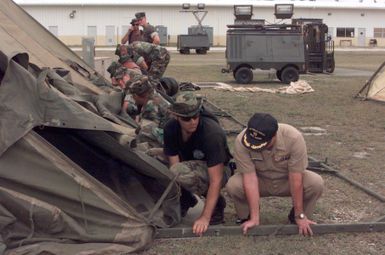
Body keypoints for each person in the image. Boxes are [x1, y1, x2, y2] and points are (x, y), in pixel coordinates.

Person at [225, 113, 324, 236]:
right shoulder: (241, 141)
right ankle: (248, 216)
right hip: (260, 180)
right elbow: (249, 178)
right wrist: (255, 217)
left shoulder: (293, 138)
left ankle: (298, 215)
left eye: (260, 143)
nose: (254, 146)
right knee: (234, 185)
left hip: (286, 180)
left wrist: (300, 215)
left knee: (315, 182)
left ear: (274, 136)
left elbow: (296, 178)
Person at [163, 91, 232, 236]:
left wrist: (204, 217)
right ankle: (186, 199)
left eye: (196, 116)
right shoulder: (170, 128)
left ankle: (217, 206)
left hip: (220, 170)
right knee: (158, 160)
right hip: (189, 165)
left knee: (179, 172)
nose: (193, 121)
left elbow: (216, 179)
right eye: (187, 119)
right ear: (176, 117)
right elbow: (173, 164)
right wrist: (180, 193)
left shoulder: (212, 133)